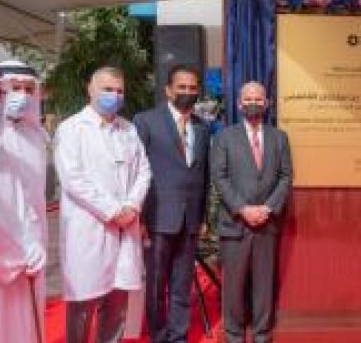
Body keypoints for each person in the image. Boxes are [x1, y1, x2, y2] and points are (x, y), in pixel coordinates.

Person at [55, 66, 152, 343]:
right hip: (89, 227)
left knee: (117, 303)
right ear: (91, 89)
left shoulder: (128, 129)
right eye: (108, 89)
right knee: (83, 303)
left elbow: (144, 170)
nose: (114, 95)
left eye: (120, 91)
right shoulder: (72, 128)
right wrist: (112, 210)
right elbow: (73, 179)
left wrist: (132, 206)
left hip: (126, 226)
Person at [0, 60, 51, 343]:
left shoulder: (35, 135)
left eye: (28, 89)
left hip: (35, 237)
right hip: (0, 248)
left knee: (31, 315)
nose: (22, 95)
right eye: (14, 88)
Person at [211, 81, 293, 343]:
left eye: (258, 99)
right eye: (248, 99)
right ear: (239, 104)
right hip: (235, 224)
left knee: (263, 286)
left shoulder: (280, 138)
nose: (253, 103)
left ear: (267, 103)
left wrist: (268, 208)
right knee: (233, 287)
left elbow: (286, 176)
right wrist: (243, 209)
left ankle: (262, 334)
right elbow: (219, 178)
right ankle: (234, 335)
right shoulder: (224, 137)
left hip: (267, 224)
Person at [133, 65, 210, 343]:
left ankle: (178, 335)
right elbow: (135, 171)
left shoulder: (202, 128)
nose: (187, 93)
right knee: (156, 285)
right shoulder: (145, 121)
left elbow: (205, 174)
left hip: (190, 220)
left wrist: (202, 218)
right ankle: (159, 335)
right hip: (156, 218)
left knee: (181, 283)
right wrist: (139, 218)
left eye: (192, 88)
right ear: (168, 90)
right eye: (182, 88)